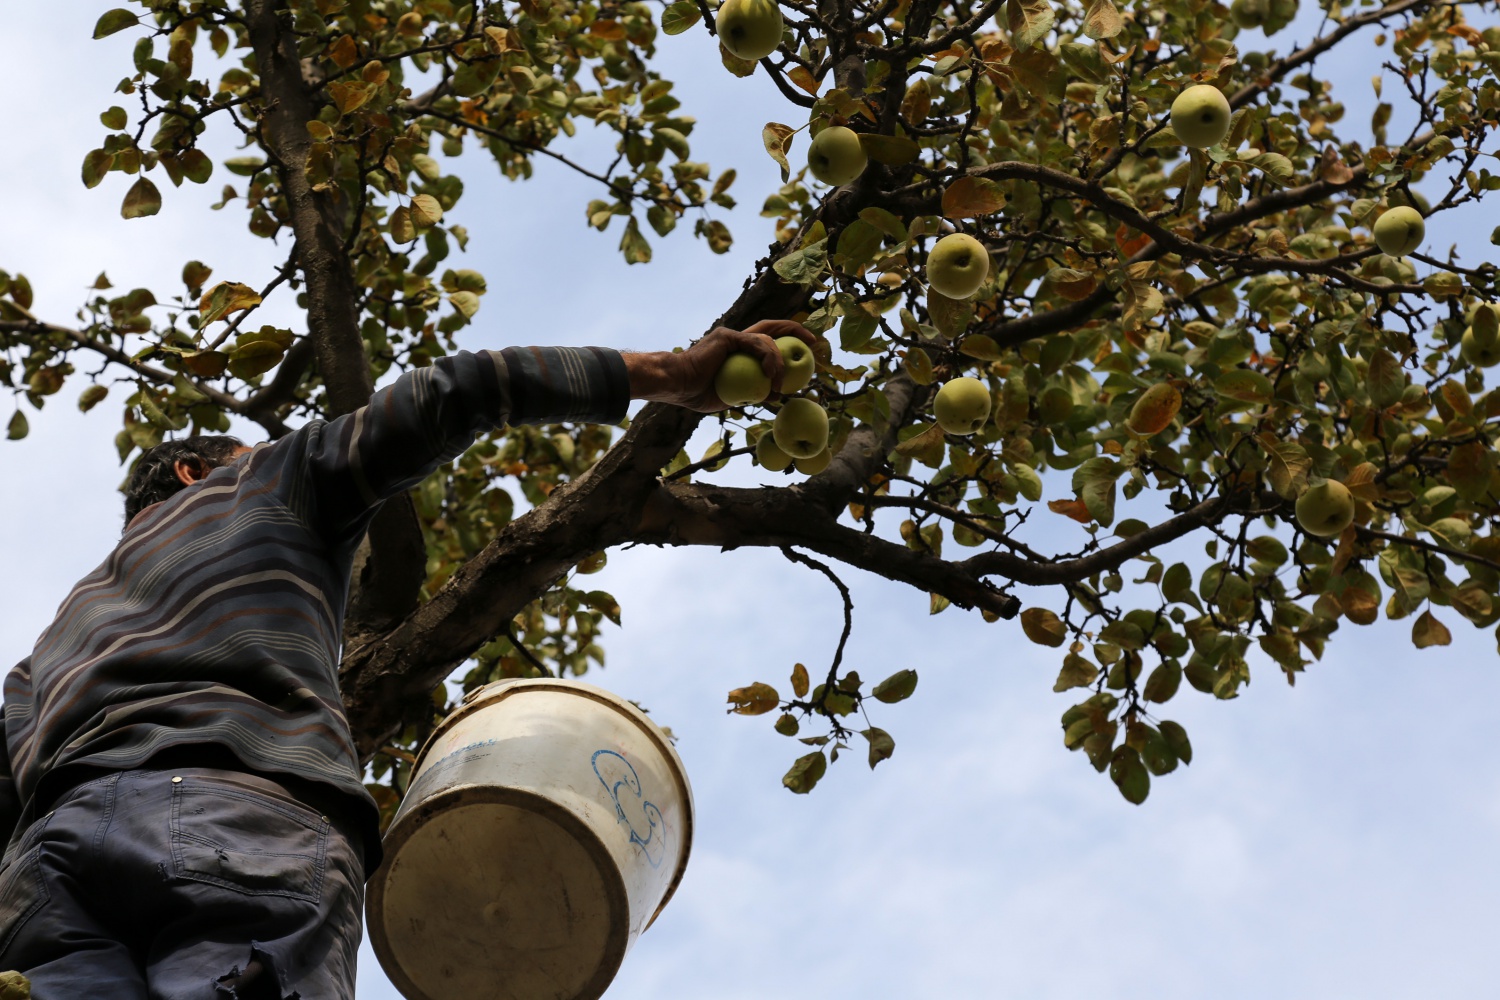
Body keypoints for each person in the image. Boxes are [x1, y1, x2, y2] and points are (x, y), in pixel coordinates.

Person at [0, 320, 812, 999]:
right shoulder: (257, 485)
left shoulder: (42, 659)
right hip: (231, 824)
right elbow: (450, 393)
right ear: (193, 470)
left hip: (47, 868)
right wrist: (669, 374)